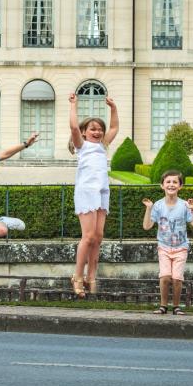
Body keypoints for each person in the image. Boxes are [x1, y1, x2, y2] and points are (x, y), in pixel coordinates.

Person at [68, 92, 118, 298]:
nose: (97, 132)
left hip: (102, 192)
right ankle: (77, 277)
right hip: (86, 192)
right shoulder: (82, 146)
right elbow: (73, 127)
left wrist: (113, 108)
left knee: (98, 237)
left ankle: (92, 276)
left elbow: (114, 128)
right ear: (85, 132)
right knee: (87, 237)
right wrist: (74, 105)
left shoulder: (102, 146)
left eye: (99, 129)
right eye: (92, 129)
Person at [142, 170, 193, 315]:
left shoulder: (185, 205)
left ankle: (176, 307)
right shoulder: (157, 205)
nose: (171, 184)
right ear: (162, 185)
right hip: (163, 247)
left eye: (175, 182)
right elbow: (147, 226)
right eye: (168, 182)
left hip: (181, 248)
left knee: (176, 278)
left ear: (180, 186)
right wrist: (149, 209)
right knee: (164, 277)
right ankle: (163, 306)